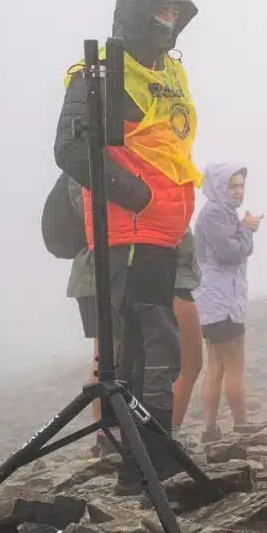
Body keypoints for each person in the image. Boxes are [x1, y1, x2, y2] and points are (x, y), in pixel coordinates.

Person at [54, 0, 201, 493]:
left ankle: (149, 459)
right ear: (136, 11)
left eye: (174, 14)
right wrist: (134, 194)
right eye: (159, 11)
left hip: (162, 232)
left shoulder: (170, 72)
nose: (167, 22)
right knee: (148, 346)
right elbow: (70, 150)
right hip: (126, 233)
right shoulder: (96, 75)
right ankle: (145, 467)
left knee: (156, 347)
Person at [65, 177, 204, 455]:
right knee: (137, 360)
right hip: (138, 268)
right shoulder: (126, 160)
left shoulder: (84, 164)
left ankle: (118, 440)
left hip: (103, 272)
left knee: (110, 360)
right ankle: (153, 440)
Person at [194, 163, 259, 442]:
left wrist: (243, 229)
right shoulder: (215, 215)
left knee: (217, 364)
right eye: (232, 186)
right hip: (223, 303)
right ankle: (241, 423)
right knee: (233, 365)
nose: (238, 191)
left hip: (214, 303)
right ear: (219, 187)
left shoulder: (218, 213)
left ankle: (210, 428)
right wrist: (246, 229)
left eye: (241, 185)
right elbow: (231, 254)